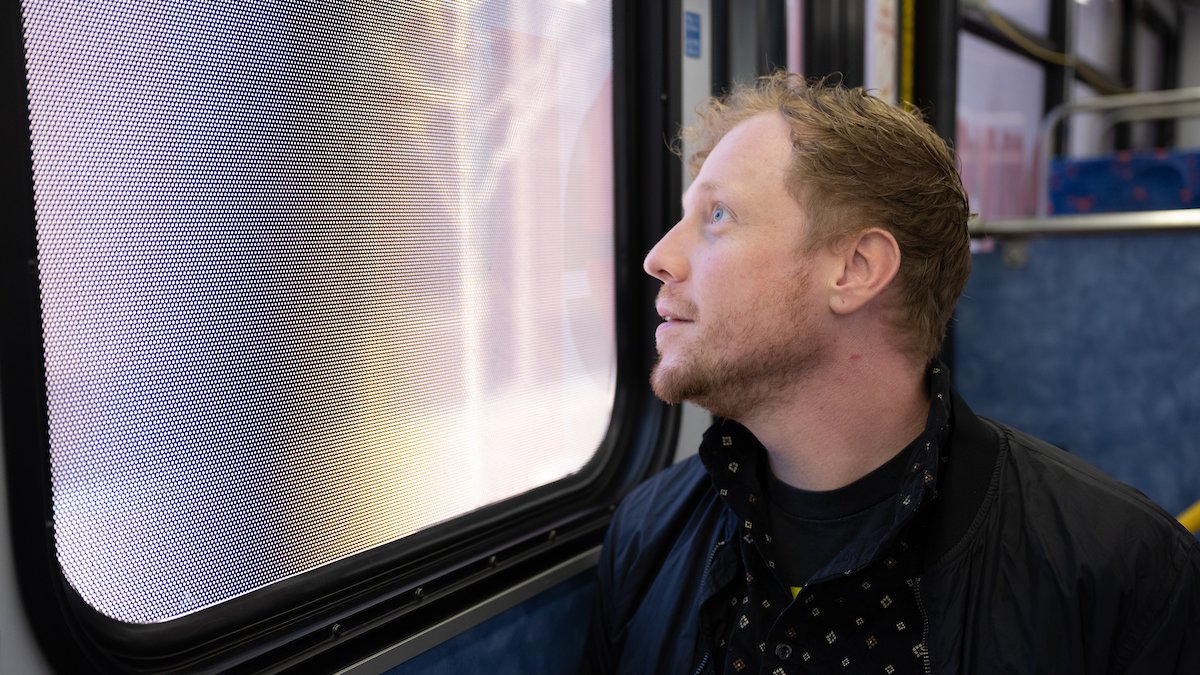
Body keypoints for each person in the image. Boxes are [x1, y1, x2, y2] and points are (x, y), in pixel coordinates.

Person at [582, 72, 1200, 674]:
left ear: (855, 267)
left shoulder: (1119, 570)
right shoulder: (647, 533)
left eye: (717, 215)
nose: (658, 257)